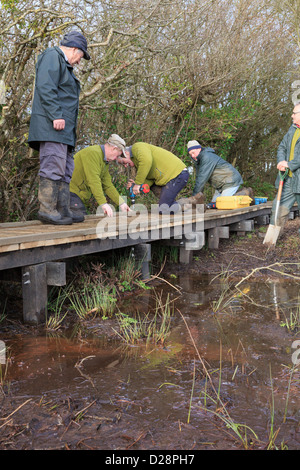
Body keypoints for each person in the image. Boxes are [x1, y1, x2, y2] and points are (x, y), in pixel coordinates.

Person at [28, 30, 90, 225]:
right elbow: (45, 86)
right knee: (53, 166)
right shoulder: (52, 56)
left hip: (64, 132)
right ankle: (47, 210)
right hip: (52, 127)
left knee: (65, 169)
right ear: (74, 49)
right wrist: (56, 114)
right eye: (81, 56)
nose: (79, 61)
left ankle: (63, 210)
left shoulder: (64, 64)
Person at [117, 142, 193, 214]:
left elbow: (147, 161)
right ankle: (176, 204)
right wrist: (139, 186)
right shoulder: (138, 162)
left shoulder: (137, 147)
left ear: (126, 153)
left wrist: (138, 183)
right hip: (170, 178)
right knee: (164, 206)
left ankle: (190, 203)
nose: (125, 166)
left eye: (123, 162)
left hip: (178, 174)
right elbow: (150, 180)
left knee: (163, 209)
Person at [69, 134, 131, 217]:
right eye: (117, 155)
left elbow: (108, 186)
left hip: (79, 196)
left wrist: (122, 203)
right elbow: (93, 180)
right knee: (79, 220)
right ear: (114, 148)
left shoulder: (104, 161)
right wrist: (103, 203)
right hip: (69, 192)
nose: (116, 158)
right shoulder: (93, 153)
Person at [187, 140, 251, 204]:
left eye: (193, 153)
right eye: (190, 154)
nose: (192, 156)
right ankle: (240, 193)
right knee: (213, 204)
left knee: (223, 205)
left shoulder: (207, 157)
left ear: (199, 149)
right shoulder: (198, 160)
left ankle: (245, 193)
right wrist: (197, 196)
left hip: (230, 181)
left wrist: (194, 197)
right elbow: (199, 178)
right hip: (220, 185)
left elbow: (201, 179)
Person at [269, 102, 300, 230]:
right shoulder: (292, 129)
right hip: (289, 178)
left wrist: (290, 164)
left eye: (294, 113)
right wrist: (281, 161)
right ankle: (273, 234)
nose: (292, 116)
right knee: (278, 208)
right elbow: (282, 146)